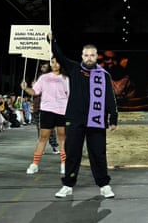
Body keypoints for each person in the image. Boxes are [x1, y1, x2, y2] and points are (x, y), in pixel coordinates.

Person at [50, 35, 118, 199]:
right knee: (72, 152)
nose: (89, 58)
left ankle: (104, 185)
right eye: (86, 55)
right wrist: (52, 41)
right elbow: (59, 56)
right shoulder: (74, 68)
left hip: (97, 119)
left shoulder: (104, 75)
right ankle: (67, 184)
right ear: (82, 56)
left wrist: (113, 118)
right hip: (75, 119)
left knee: (98, 153)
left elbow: (110, 97)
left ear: (96, 56)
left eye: (92, 55)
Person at [20, 56, 69, 175]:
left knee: (62, 137)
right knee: (43, 138)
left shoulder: (66, 78)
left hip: (63, 111)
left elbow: (71, 95)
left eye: (57, 62)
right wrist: (26, 88)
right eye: (53, 62)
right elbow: (35, 92)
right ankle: (35, 164)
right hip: (47, 111)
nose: (55, 64)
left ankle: (64, 163)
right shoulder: (44, 78)